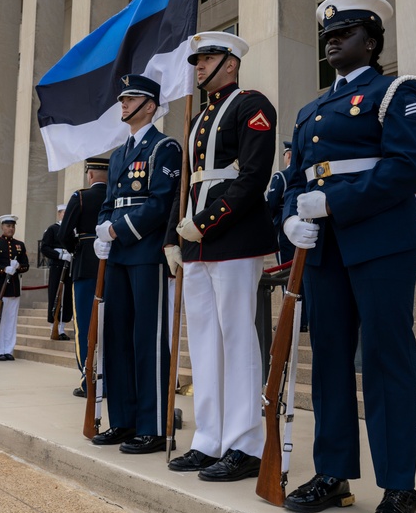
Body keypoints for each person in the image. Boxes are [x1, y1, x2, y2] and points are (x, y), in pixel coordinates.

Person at [281, 0, 416, 513]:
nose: (332, 39)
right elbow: (294, 180)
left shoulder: (396, 92)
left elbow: (407, 168)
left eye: (345, 31)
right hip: (323, 248)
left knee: (388, 361)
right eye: (328, 33)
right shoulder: (310, 110)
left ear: (372, 39)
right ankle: (334, 472)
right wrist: (290, 222)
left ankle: (400, 489)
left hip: (380, 242)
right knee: (330, 361)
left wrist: (334, 202)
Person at [162, 31, 276, 481]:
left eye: (208, 57)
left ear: (232, 62)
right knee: (204, 343)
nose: (199, 65)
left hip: (232, 237)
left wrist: (206, 222)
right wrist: (173, 237)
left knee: (236, 338)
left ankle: (246, 444)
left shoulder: (252, 105)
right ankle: (209, 439)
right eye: (197, 59)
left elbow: (252, 177)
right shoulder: (198, 117)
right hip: (193, 243)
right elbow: (187, 182)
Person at [92, 74, 181, 455]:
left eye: (131, 99)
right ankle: (124, 419)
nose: (123, 105)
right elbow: (110, 201)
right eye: (123, 99)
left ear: (150, 105)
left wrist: (117, 230)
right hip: (118, 254)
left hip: (146, 251)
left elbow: (161, 203)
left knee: (148, 338)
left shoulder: (165, 147)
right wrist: (101, 228)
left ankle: (153, 425)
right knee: (117, 337)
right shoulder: (118, 154)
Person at [58, 157, 109, 397]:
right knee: (111, 325)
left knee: (86, 325)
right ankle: (109, 380)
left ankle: (88, 380)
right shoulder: (116, 197)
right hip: (113, 266)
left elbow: (64, 234)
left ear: (90, 175)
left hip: (85, 267)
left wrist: (75, 247)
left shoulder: (80, 197)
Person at [0, 215, 30, 360]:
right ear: (2, 227)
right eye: (8, 226)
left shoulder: (19, 245)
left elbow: (26, 265)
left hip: (13, 288)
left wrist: (17, 267)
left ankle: (8, 349)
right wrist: (4, 269)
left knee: (10, 320)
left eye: (13, 226)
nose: (11, 229)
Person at [40, 205, 73, 340]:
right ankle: (54, 326)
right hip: (57, 267)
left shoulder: (72, 230)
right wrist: (59, 255)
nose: (66, 215)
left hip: (69, 266)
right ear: (59, 214)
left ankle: (62, 328)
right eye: (64, 213)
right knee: (55, 294)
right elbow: (45, 248)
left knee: (67, 297)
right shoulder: (52, 229)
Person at [266, 141, 297, 265]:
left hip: (283, 226)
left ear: (288, 155)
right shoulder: (304, 175)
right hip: (304, 222)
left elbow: (272, 204)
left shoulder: (281, 176)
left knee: (286, 271)